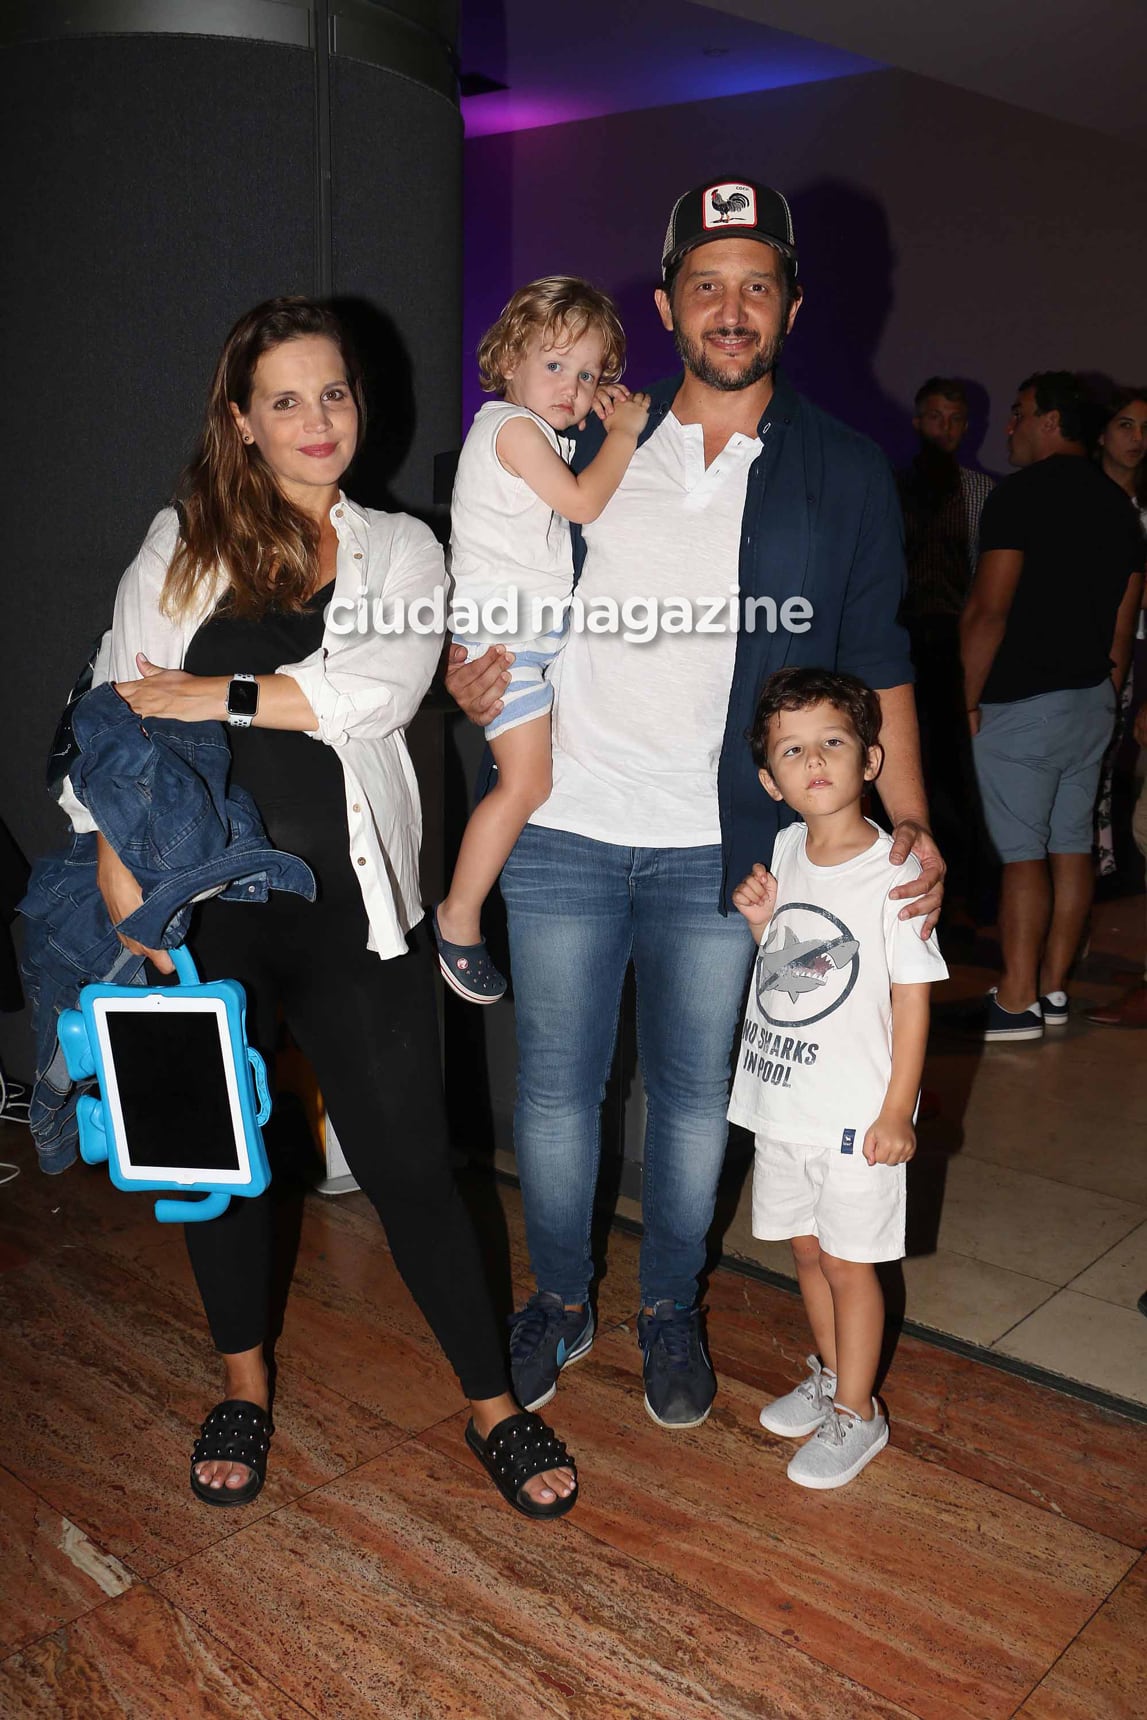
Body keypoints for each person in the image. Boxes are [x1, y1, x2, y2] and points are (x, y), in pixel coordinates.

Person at [447, 178, 944, 1431]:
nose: (731, 308)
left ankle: (669, 1302)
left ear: (790, 305)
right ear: (665, 305)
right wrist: (471, 675)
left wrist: (911, 824)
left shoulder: (839, 470)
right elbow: (496, 567)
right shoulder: (583, 428)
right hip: (563, 820)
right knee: (554, 1093)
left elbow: (881, 657)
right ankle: (558, 1297)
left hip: (726, 846)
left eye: (756, 284)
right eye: (706, 283)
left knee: (690, 1096)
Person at [89, 298, 576, 1517]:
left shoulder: (403, 550)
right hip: (202, 905)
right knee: (225, 1161)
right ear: (243, 423)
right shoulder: (180, 545)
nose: (317, 420)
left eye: (336, 393)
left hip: (357, 906)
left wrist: (207, 692)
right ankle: (242, 1385)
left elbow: (374, 690)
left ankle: (490, 1404)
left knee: (415, 1160)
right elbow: (109, 708)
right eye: (287, 400)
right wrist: (113, 865)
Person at [729, 667, 946, 1488]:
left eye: (832, 741)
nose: (812, 759)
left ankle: (858, 1411)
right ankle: (831, 1374)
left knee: (852, 1264)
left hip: (857, 1115)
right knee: (808, 1252)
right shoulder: (786, 848)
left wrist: (898, 1110)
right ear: (769, 781)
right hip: (784, 1099)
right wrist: (761, 926)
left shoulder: (895, 870)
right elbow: (800, 978)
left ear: (869, 759)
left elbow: (911, 998)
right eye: (791, 749)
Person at [433, 278, 649, 1002]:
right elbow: (585, 500)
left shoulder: (527, 433)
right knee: (527, 783)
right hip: (505, 644)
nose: (573, 386)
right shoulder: (512, 430)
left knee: (535, 781)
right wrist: (621, 434)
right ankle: (459, 916)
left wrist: (596, 422)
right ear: (508, 360)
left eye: (588, 374)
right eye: (555, 366)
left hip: (525, 637)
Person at [961, 372, 1145, 1039]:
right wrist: (1108, 700)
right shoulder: (1117, 509)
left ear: (1049, 421)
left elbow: (987, 610)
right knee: (1070, 845)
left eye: (1019, 413)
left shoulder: (1020, 496)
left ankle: (1014, 1002)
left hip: (1021, 702)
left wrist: (966, 698)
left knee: (1020, 854)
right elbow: (1123, 627)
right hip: (1092, 698)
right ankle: (1054, 988)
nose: (1009, 425)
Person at [897, 379, 994, 898]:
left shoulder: (979, 490)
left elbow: (985, 579)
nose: (946, 427)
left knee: (957, 771)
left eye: (955, 419)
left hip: (956, 641)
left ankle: (962, 890)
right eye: (936, 416)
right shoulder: (892, 485)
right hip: (903, 639)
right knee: (913, 762)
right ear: (918, 421)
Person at [1092, 390, 1147, 883]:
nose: (1137, 439)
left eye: (1144, 429)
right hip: (1088, 650)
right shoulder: (1083, 499)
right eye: (1126, 425)